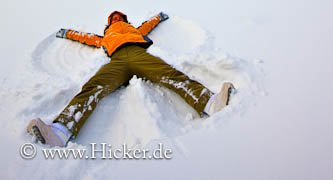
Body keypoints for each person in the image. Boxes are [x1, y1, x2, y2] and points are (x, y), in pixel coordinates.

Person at [27, 11, 234, 147]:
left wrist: (158, 17)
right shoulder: (105, 36)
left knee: (169, 74)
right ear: (109, 23)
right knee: (93, 87)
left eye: (119, 17)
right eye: (113, 18)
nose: (116, 19)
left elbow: (148, 25)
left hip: (138, 53)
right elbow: (85, 37)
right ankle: (60, 131)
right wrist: (67, 33)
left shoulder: (134, 30)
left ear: (124, 20)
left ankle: (210, 102)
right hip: (117, 60)